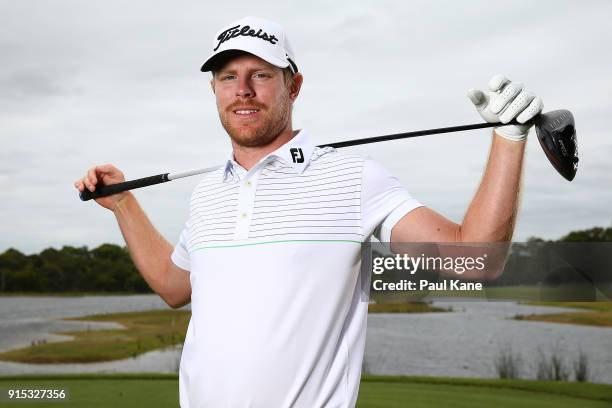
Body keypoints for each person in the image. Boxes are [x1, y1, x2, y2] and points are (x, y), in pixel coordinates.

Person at [74, 16, 543, 408]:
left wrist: (509, 139)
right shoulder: (207, 195)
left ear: (293, 86)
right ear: (214, 90)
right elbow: (176, 288)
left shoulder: (354, 178)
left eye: (260, 75)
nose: (243, 90)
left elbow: (475, 260)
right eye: (227, 77)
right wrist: (123, 205)